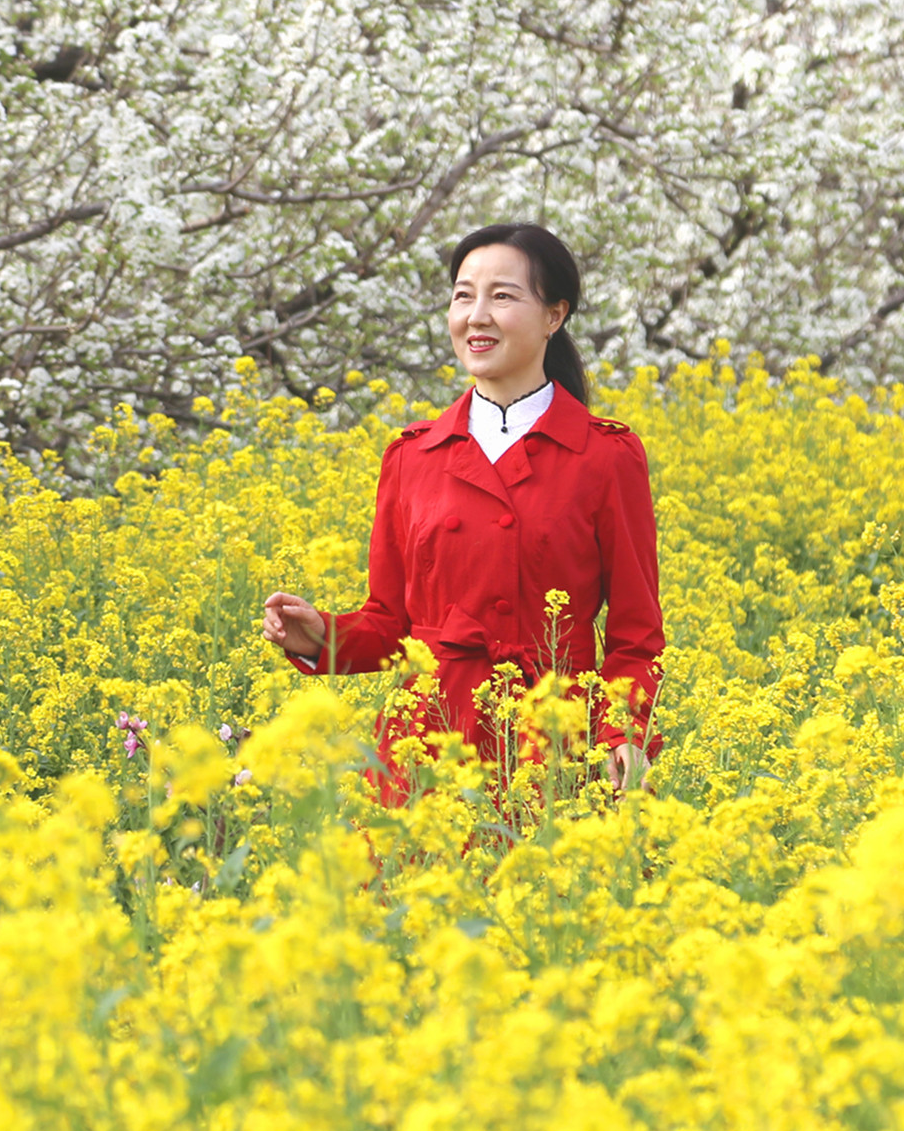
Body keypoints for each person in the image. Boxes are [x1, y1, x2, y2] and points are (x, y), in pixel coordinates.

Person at [260, 222, 665, 803]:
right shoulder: (412, 456)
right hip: (424, 743)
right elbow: (391, 625)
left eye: (502, 296)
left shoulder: (604, 455)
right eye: (462, 295)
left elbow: (635, 634)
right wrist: (320, 635)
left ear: (554, 315)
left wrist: (622, 731)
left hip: (553, 743)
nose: (477, 315)